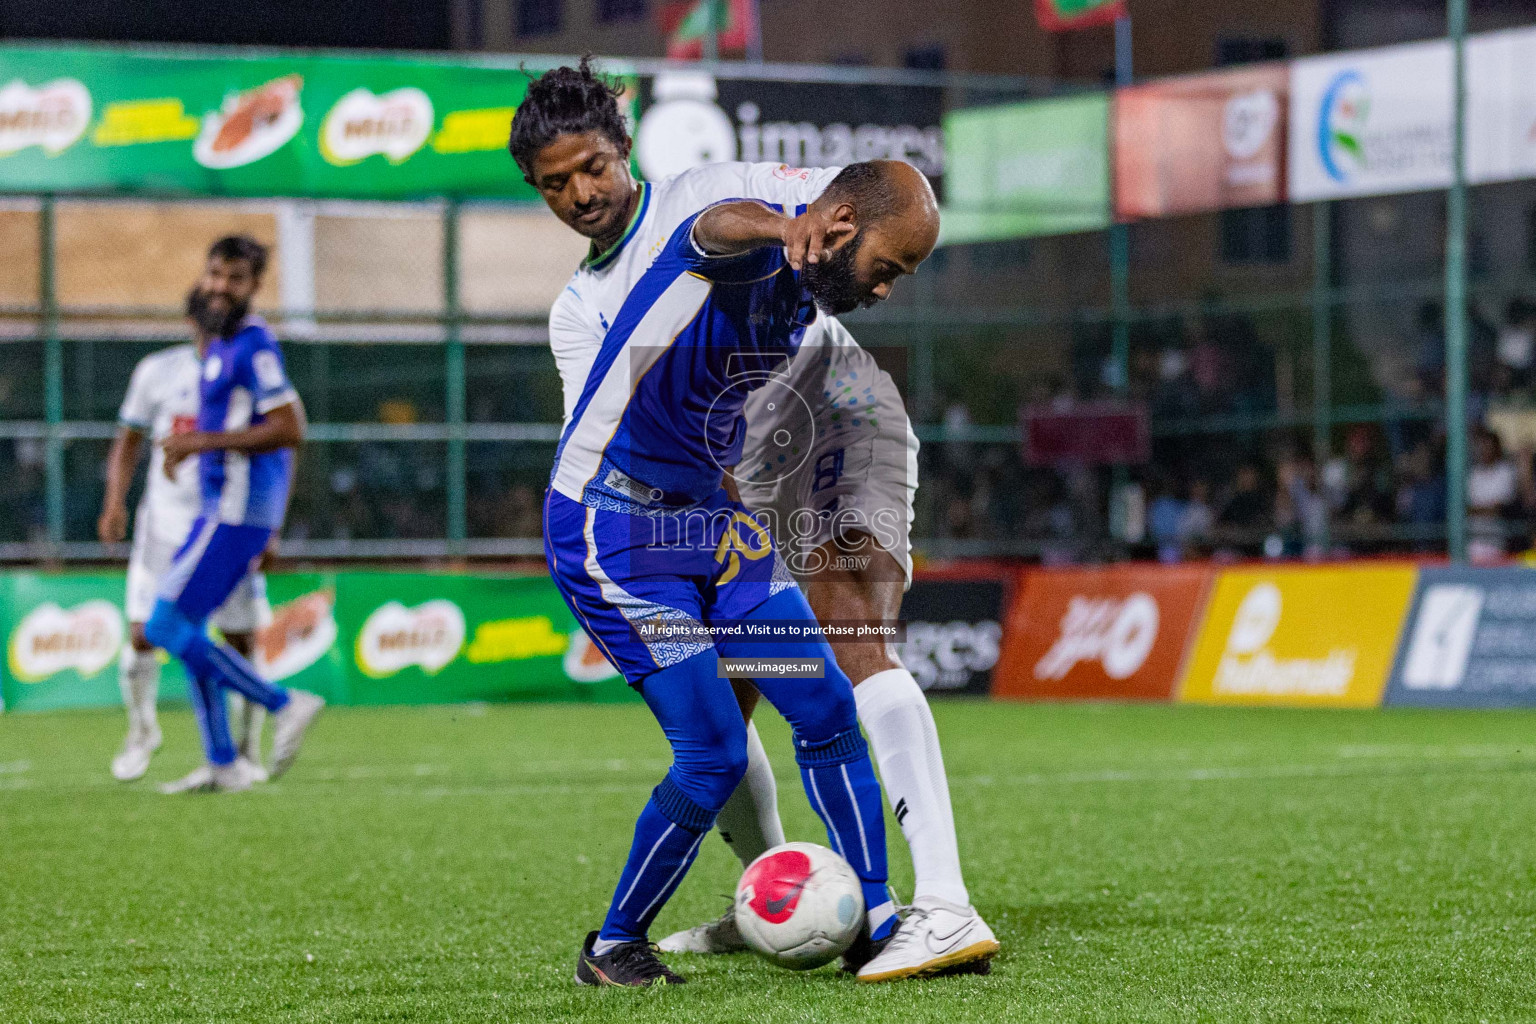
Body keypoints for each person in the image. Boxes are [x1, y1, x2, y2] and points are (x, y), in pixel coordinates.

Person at [510, 61, 996, 981]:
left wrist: (792, 225)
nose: (580, 193)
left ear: (624, 151)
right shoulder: (578, 309)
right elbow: (603, 435)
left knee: (847, 644)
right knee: (722, 717)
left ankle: (934, 905)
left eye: (593, 169)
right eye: (555, 184)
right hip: (673, 506)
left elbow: (781, 215)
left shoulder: (720, 197)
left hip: (826, 416)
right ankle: (779, 892)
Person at [141, 235, 324, 794]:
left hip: (236, 512)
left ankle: (284, 702)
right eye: (215, 273)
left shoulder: (254, 346)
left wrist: (198, 444)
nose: (221, 286)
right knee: (186, 628)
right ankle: (223, 762)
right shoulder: (220, 345)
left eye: (235, 278)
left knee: (163, 625)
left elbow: (291, 428)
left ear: (253, 286)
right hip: (222, 509)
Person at [99, 297, 272, 783]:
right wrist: (115, 500)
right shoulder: (157, 371)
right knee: (143, 634)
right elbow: (128, 439)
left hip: (226, 523)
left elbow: (279, 442)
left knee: (240, 638)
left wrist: (270, 523)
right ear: (192, 320)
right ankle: (142, 730)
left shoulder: (249, 373)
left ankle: (246, 748)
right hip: (164, 526)